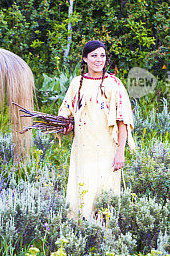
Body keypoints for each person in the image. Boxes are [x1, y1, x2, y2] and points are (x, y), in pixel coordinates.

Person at [58, 40, 136, 220]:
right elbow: (65, 112)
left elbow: (122, 121)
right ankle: (80, 230)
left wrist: (120, 153)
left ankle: (104, 232)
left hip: (107, 149)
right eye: (93, 56)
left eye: (102, 55)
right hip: (83, 149)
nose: (98, 60)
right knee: (82, 187)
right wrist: (65, 125)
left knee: (105, 192)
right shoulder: (77, 83)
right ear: (85, 59)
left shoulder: (113, 84)